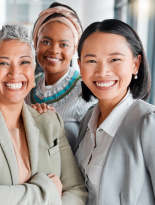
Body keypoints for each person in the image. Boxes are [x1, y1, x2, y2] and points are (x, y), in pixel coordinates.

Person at [0, 24, 87, 205]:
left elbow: (76, 190)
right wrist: (48, 190)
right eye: (3, 63)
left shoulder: (50, 121)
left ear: (34, 71)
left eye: (24, 62)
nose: (15, 73)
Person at [74, 19, 155, 205]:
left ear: (136, 63)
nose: (103, 71)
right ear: (80, 66)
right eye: (91, 60)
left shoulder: (154, 124)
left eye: (115, 59)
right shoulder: (88, 118)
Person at [25, 2, 96, 149]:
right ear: (35, 43)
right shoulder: (28, 86)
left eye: (63, 45)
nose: (54, 50)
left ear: (75, 48)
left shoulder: (86, 91)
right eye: (46, 42)